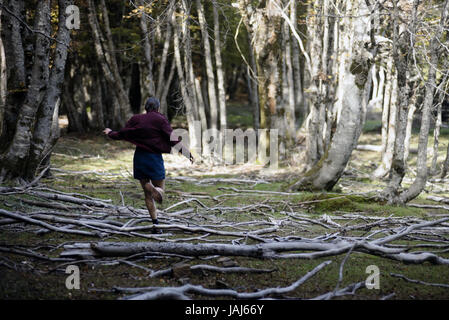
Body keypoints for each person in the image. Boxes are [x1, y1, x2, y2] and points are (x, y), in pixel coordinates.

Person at [103, 97, 193, 234]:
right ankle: (153, 189)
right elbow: (172, 138)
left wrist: (110, 133)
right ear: (157, 108)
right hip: (154, 159)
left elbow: (122, 133)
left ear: (145, 108)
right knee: (160, 192)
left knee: (148, 195)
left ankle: (155, 224)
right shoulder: (160, 119)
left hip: (140, 158)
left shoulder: (136, 119)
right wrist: (186, 153)